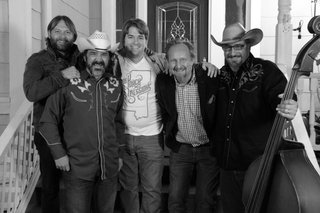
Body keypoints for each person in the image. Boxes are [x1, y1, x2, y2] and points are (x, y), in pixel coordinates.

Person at [115, 18, 218, 213]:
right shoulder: (115, 62)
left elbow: (183, 62)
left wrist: (208, 65)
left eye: (141, 36)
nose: (135, 41)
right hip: (126, 136)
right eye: (130, 36)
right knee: (129, 189)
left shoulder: (158, 62)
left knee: (153, 190)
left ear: (147, 40)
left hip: (154, 136)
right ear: (123, 39)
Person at [210, 22, 298, 213]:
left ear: (248, 45)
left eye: (238, 46)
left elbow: (283, 96)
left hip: (257, 166)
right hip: (227, 165)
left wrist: (290, 104)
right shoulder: (219, 75)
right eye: (227, 47)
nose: (232, 52)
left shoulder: (266, 70)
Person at [39, 30, 124, 213]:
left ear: (109, 59)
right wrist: (58, 153)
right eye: (93, 53)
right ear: (85, 57)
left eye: (103, 54)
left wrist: (118, 154)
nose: (98, 59)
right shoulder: (69, 82)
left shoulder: (117, 86)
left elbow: (118, 122)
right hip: (77, 167)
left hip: (108, 167)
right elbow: (47, 120)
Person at [155, 39, 220, 213]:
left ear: (193, 60)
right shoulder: (163, 81)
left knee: (205, 201)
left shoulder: (209, 77)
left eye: (183, 59)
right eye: (173, 60)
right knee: (175, 200)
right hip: (181, 148)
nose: (178, 65)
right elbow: (165, 111)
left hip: (208, 148)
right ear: (167, 63)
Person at [23, 15, 80, 213]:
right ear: (49, 34)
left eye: (67, 31)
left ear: (74, 35)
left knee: (78, 183)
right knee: (51, 186)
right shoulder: (38, 60)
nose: (62, 36)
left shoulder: (81, 59)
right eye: (57, 31)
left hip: (75, 131)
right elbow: (31, 92)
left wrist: (150, 54)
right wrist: (62, 76)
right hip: (47, 131)